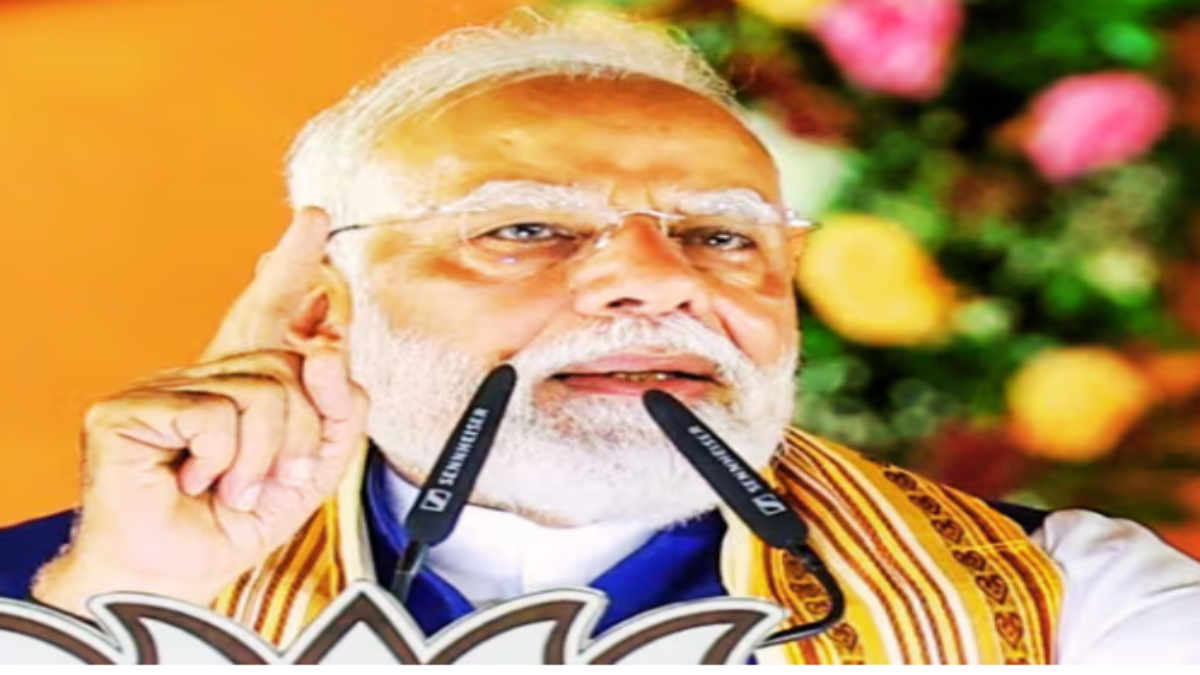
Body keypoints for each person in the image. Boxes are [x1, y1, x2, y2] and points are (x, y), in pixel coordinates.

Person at [2, 9, 1199, 665]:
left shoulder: (1068, 605)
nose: (655, 284)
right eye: (526, 228)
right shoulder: (52, 595)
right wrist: (123, 603)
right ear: (326, 305)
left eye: (720, 236)